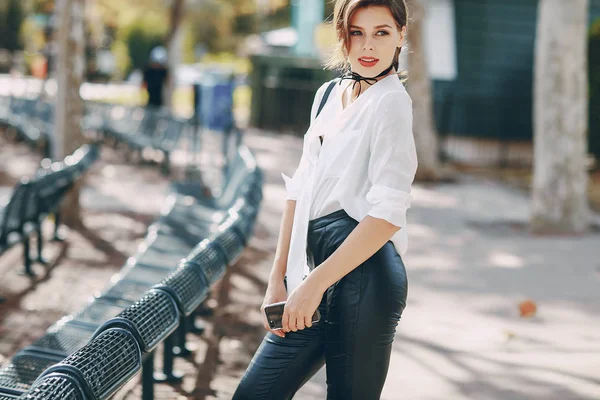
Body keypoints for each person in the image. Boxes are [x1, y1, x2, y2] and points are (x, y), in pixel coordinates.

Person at [233, 0, 417, 399]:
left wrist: (314, 285)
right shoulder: (327, 95)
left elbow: (387, 214)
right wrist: (278, 277)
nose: (368, 46)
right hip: (315, 270)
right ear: (343, 36)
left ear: (400, 35)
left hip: (365, 276)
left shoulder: (391, 104)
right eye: (357, 32)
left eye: (381, 32)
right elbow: (299, 190)